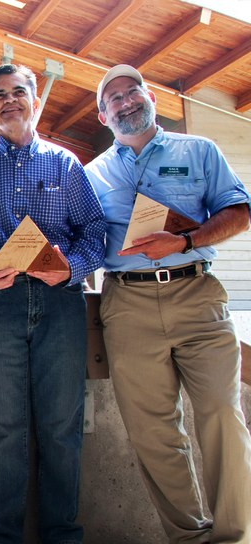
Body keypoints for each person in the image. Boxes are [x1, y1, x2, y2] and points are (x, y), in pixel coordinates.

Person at [0, 63, 105, 544]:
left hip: (60, 304)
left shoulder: (66, 164)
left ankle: (62, 534)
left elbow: (94, 233)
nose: (10, 100)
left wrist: (71, 266)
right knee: (5, 426)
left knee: (61, 425)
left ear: (35, 101)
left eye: (18, 92)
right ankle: (3, 536)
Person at [86, 64, 251, 543]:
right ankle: (189, 537)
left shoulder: (198, 151)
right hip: (128, 304)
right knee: (152, 433)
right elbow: (85, 241)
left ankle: (234, 537)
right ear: (102, 115)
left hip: (196, 295)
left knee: (222, 414)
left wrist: (185, 242)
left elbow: (239, 211)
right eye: (114, 98)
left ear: (149, 97)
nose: (126, 102)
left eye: (132, 92)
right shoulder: (93, 174)